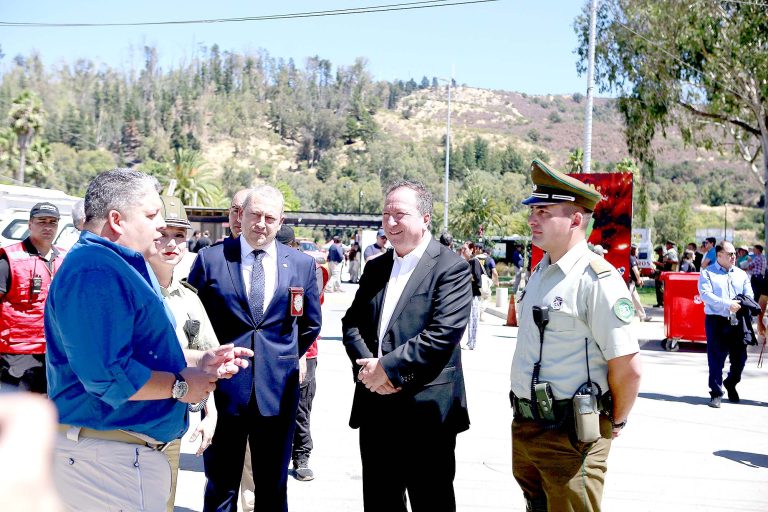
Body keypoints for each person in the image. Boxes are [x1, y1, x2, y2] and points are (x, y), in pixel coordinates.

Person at [44, 168, 252, 511]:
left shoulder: (121, 266)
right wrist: (181, 386)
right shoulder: (95, 269)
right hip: (108, 458)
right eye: (152, 215)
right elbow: (107, 376)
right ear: (117, 220)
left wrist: (199, 360)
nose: (161, 225)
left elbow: (141, 352)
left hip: (122, 456)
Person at [510, 159, 642, 512]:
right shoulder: (542, 272)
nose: (532, 219)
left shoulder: (596, 280)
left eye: (544, 212)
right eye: (533, 211)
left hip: (572, 436)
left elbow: (628, 367)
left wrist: (615, 420)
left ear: (575, 220)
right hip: (526, 428)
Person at [188, 185, 322, 512]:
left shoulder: (301, 265)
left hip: (278, 394)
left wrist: (279, 358)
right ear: (241, 215)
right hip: (225, 391)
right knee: (221, 486)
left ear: (281, 222)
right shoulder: (211, 259)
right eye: (255, 215)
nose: (261, 224)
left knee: (273, 489)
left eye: (269, 218)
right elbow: (193, 321)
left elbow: (310, 324)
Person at [342, 179, 472, 512]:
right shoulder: (376, 267)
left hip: (426, 413)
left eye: (399, 214)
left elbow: (442, 335)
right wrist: (370, 371)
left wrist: (387, 369)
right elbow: (351, 324)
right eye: (385, 214)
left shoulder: (451, 267)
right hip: (376, 408)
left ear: (425, 218)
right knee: (380, 502)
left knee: (432, 502)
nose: (390, 222)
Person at [149, 195, 221, 512]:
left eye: (179, 235)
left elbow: (208, 360)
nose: (172, 243)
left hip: (171, 429)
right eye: (163, 234)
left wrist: (210, 413)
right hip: (125, 427)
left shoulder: (189, 299)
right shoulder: (131, 290)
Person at [0, 202, 66, 394]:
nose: (48, 227)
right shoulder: (9, 259)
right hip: (16, 351)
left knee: (42, 406)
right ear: (30, 224)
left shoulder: (65, 258)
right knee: (13, 407)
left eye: (53, 222)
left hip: (53, 350)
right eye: (42, 221)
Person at [698, 241, 754, 408]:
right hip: (717, 320)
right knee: (716, 358)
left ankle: (731, 382)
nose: (734, 256)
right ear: (719, 255)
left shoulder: (741, 274)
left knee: (740, 359)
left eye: (734, 253)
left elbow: (749, 295)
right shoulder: (707, 273)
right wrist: (727, 303)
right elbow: (705, 295)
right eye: (730, 254)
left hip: (738, 321)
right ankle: (716, 393)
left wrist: (740, 303)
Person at [461, 242, 483, 351]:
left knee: (473, 319)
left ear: (471, 250)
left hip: (474, 295)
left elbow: (478, 280)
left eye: (465, 249)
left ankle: (472, 343)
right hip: (467, 294)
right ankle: (470, 341)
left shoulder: (474, 261)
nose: (463, 251)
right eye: (462, 249)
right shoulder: (466, 262)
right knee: (469, 319)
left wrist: (467, 277)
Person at [629, 245, 651, 322]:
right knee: (627, 299)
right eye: (636, 250)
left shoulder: (632, 257)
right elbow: (635, 270)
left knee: (636, 299)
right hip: (629, 283)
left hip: (631, 282)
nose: (637, 252)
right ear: (633, 250)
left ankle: (642, 316)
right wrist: (639, 280)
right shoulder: (631, 258)